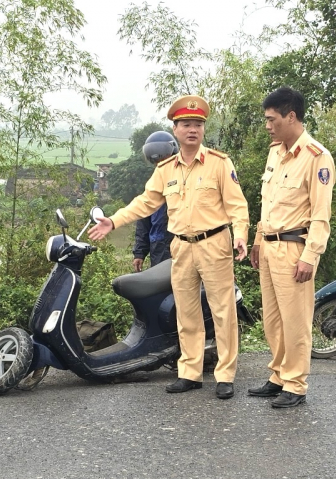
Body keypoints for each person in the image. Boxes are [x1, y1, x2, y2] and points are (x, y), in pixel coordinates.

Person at [89, 95, 249, 400]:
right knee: (185, 312)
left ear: (203, 129)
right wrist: (113, 221)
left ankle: (225, 375)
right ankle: (190, 372)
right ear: (175, 130)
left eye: (198, 124)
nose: (193, 130)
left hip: (214, 243)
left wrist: (240, 234)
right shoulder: (166, 169)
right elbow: (146, 202)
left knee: (222, 311)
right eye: (186, 124)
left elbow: (237, 205)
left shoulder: (219, 163)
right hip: (181, 248)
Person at [248, 87, 335, 408]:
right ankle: (279, 375)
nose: (268, 126)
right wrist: (258, 239)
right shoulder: (275, 152)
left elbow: (321, 214)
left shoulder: (316, 157)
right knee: (272, 319)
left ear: (291, 116)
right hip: (269, 247)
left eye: (272, 120)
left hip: (294, 249)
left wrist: (311, 255)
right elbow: (267, 202)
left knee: (295, 319)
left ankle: (296, 385)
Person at [132, 131, 178, 272]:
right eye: (157, 161)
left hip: (183, 244)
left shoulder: (187, 179)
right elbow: (143, 220)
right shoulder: (153, 185)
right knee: (162, 289)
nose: (160, 164)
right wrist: (139, 252)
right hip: (159, 248)